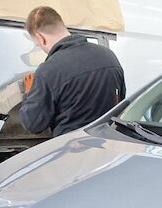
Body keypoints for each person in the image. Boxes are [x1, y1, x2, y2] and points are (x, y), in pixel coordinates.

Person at [20, 7, 127, 137]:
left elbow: (34, 125)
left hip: (71, 146)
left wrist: (29, 93)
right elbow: (120, 103)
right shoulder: (109, 56)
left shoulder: (48, 70)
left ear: (41, 38)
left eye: (38, 45)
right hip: (107, 143)